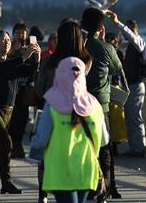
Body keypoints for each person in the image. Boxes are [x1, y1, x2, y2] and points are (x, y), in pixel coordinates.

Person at [31, 56, 108, 203]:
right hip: (86, 169)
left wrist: (32, 141)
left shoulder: (52, 103)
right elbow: (104, 139)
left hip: (60, 170)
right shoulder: (94, 105)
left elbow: (41, 140)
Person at [34, 20, 92, 203]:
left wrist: (45, 96)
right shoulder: (86, 61)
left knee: (46, 150)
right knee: (75, 151)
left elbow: (39, 84)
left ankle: (43, 192)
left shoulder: (50, 60)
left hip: (51, 106)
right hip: (79, 112)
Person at [0, 29, 40, 194]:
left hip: (8, 111)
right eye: (2, 40)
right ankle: (7, 182)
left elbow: (27, 73)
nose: (6, 42)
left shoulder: (13, 61)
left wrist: (36, 59)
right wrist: (22, 58)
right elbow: (3, 69)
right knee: (6, 143)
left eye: (8, 40)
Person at [81, 8, 126, 201]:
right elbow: (117, 67)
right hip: (100, 103)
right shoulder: (105, 48)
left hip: (80, 103)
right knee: (105, 148)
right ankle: (108, 186)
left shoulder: (80, 45)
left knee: (86, 146)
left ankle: (88, 186)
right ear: (101, 26)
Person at [109, 15, 146, 157]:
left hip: (136, 85)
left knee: (134, 117)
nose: (123, 35)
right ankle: (134, 147)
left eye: (126, 30)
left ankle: (139, 149)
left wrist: (118, 23)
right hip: (130, 85)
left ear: (132, 29)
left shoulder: (138, 43)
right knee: (130, 117)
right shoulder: (133, 47)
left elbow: (131, 36)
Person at [8, 22, 35, 158]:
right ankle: (12, 147)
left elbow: (35, 66)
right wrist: (14, 51)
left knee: (23, 118)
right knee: (12, 120)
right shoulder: (10, 46)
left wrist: (34, 53)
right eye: (18, 32)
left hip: (26, 89)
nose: (20, 34)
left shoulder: (31, 46)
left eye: (23, 32)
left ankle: (17, 146)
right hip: (13, 88)